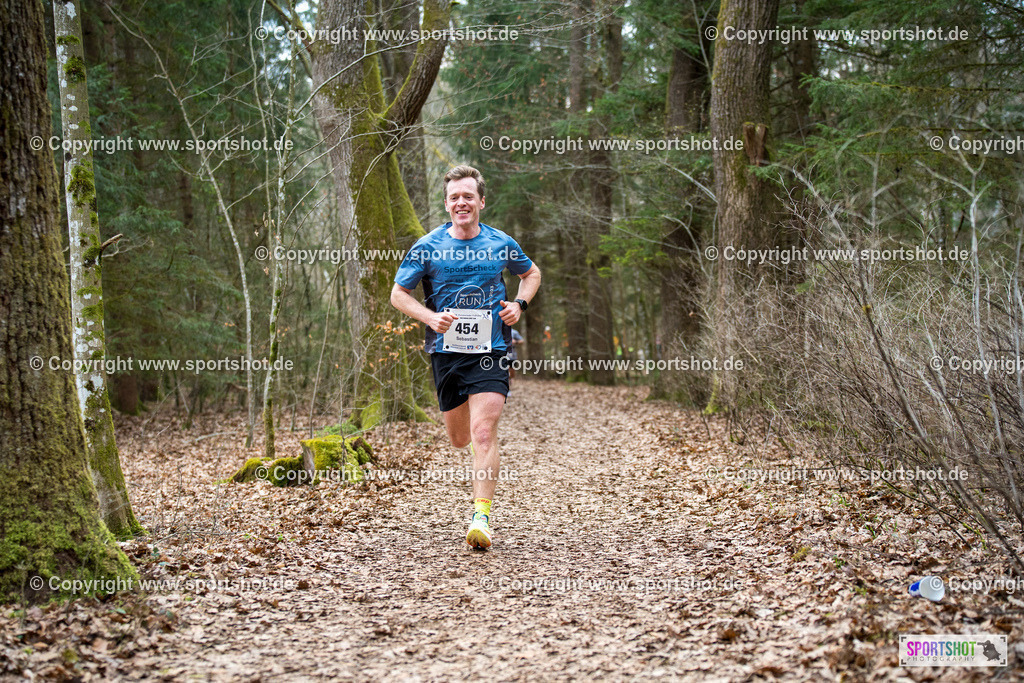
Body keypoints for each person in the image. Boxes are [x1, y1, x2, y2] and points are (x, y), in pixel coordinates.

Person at [390, 165, 541, 549]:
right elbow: (398, 294)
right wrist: (429, 316)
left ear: (481, 202)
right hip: (446, 353)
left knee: (484, 432)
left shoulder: (501, 242)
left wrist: (519, 305)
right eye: (455, 197)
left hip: (491, 350)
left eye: (468, 196)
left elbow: (532, 273)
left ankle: (481, 516)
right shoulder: (427, 247)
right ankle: (477, 475)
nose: (462, 202)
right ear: (447, 204)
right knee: (460, 439)